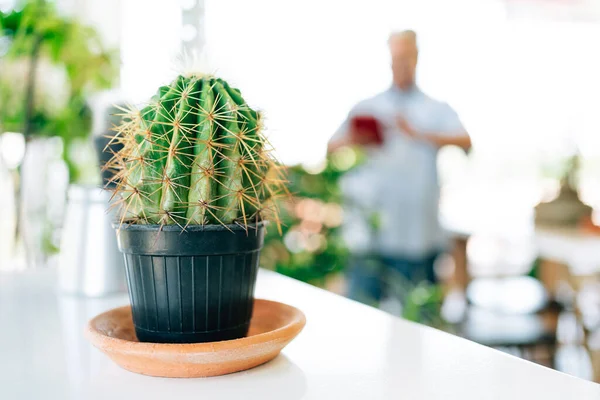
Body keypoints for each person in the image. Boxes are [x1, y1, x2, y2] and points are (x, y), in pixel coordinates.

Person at [328, 30, 471, 305]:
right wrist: (357, 140)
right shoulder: (368, 106)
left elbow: (466, 142)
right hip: (371, 236)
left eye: (406, 58)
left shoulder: (435, 108)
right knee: (361, 312)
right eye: (396, 58)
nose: (401, 64)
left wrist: (419, 134)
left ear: (416, 58)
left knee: (419, 319)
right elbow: (332, 147)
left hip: (417, 235)